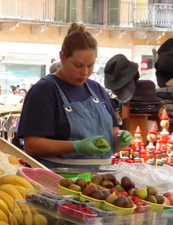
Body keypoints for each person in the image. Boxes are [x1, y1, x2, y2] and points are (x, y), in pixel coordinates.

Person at [17, 23, 132, 169]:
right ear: (62, 57)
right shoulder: (44, 91)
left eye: (90, 66)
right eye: (78, 65)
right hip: (57, 179)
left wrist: (119, 139)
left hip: (100, 179)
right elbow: (32, 145)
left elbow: (113, 132)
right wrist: (76, 146)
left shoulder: (96, 88)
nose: (85, 72)